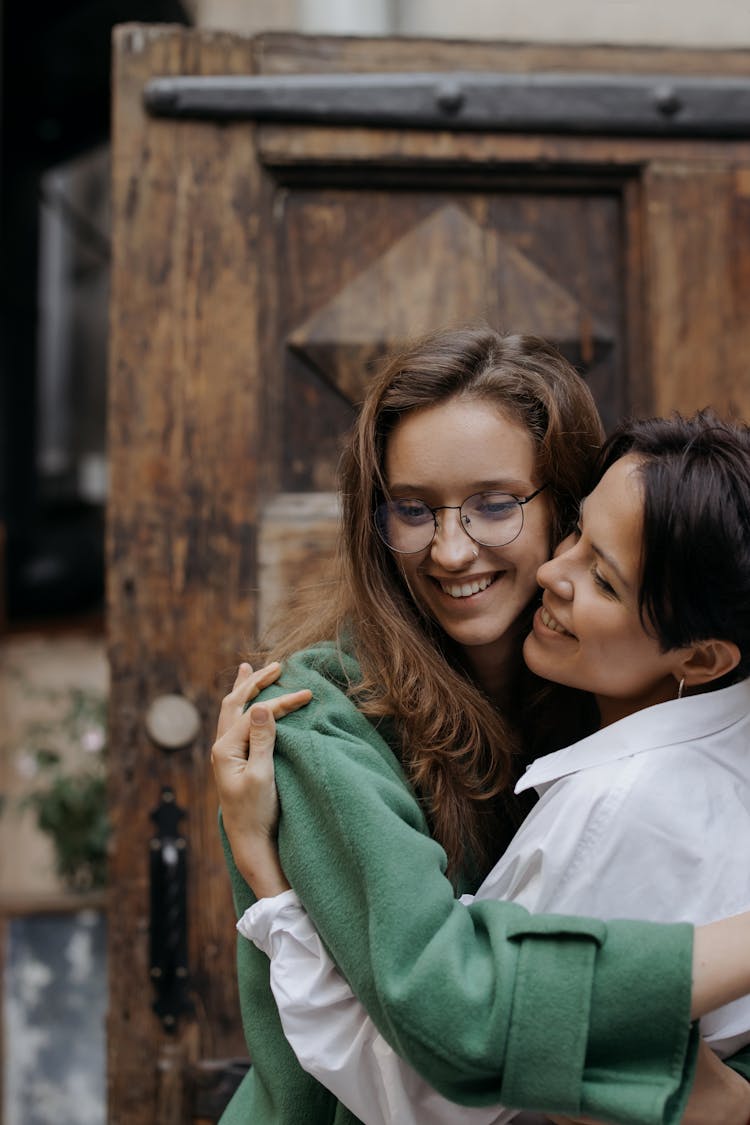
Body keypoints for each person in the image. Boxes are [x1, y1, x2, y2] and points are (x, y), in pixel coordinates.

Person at [212, 327, 750, 1124]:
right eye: (413, 509)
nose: (452, 550)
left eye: (495, 505)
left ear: (566, 505)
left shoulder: (612, 707)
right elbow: (449, 1023)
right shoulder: (317, 717)